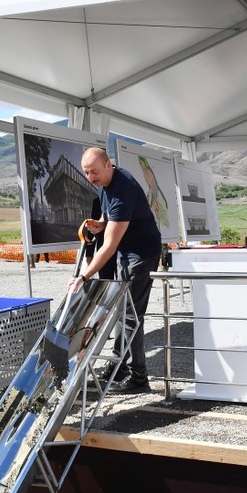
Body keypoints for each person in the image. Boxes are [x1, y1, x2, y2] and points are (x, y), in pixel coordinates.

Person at [69, 147, 162, 393]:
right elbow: (107, 207)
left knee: (131, 315)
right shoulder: (108, 180)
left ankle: (138, 378)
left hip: (141, 254)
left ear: (109, 165)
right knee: (121, 311)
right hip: (126, 250)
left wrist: (84, 276)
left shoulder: (123, 190)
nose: (91, 178)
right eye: (87, 173)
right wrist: (101, 222)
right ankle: (119, 366)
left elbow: (109, 246)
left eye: (95, 172)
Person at [84, 197, 117, 280]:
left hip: (124, 249)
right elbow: (91, 229)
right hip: (104, 247)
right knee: (105, 280)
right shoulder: (98, 201)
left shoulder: (124, 196)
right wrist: (89, 254)